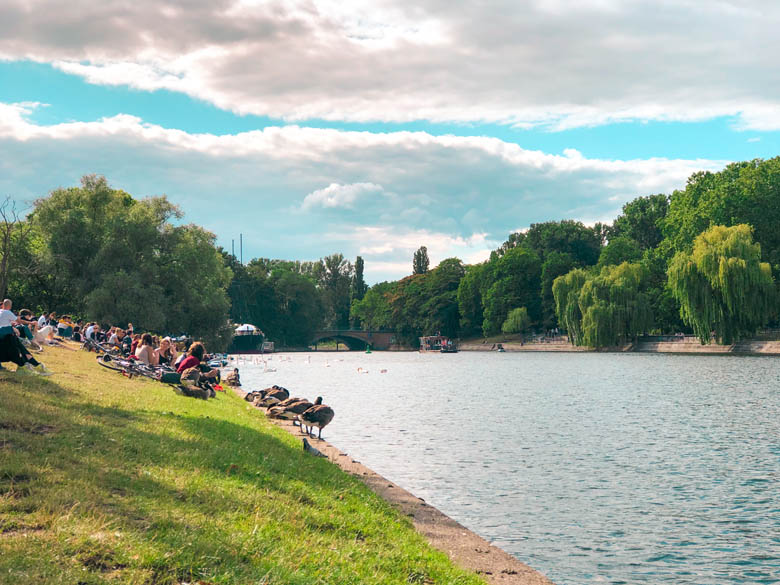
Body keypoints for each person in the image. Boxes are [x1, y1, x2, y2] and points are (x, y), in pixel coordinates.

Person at [0, 299, 52, 375]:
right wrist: (30, 322)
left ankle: (34, 365)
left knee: (20, 350)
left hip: (4, 337)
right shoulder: (7, 312)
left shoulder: (0, 312)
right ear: (10, 306)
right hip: (8, 336)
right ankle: (34, 366)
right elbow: (19, 321)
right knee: (21, 350)